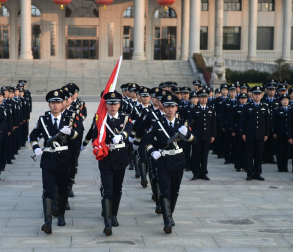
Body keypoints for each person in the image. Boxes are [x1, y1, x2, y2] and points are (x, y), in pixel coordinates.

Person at [30, 89, 80, 234]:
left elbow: (78, 136)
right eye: (53, 102)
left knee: (63, 189)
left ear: (62, 103)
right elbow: (33, 136)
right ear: (49, 104)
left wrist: (72, 133)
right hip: (48, 159)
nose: (56, 105)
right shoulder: (43, 120)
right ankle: (47, 222)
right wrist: (35, 148)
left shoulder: (69, 118)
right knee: (48, 190)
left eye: (58, 102)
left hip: (64, 159)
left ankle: (61, 214)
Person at [144, 93, 196, 234]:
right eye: (167, 107)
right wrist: (152, 151)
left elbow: (193, 141)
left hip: (178, 161)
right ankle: (167, 220)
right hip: (162, 161)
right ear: (163, 108)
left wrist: (187, 134)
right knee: (165, 190)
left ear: (177, 108)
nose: (170, 109)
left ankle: (170, 215)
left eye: (172, 106)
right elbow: (146, 140)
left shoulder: (182, 124)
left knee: (174, 190)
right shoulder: (157, 123)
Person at [92, 91, 132, 236]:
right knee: (107, 189)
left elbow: (129, 130)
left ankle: (113, 213)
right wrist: (96, 146)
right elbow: (94, 135)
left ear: (120, 104)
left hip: (120, 157)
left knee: (117, 188)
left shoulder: (125, 118)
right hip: (105, 157)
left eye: (115, 103)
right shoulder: (99, 118)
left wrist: (122, 135)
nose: (113, 106)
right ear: (105, 104)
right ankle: (108, 221)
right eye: (109, 103)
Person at [240, 86, 270, 181]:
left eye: (258, 94)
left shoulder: (265, 107)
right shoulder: (247, 106)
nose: (257, 96)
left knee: (258, 155)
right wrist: (243, 133)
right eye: (255, 94)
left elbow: (267, 122)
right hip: (249, 134)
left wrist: (266, 134)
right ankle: (249, 173)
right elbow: (243, 121)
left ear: (261, 95)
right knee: (249, 155)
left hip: (260, 134)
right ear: (252, 95)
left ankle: (257, 173)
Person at [189, 88, 216, 180]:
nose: (204, 99)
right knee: (196, 155)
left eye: (205, 97)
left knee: (205, 155)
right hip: (197, 136)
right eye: (202, 97)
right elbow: (190, 124)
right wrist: (192, 135)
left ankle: (204, 172)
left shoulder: (211, 109)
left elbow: (213, 124)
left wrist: (213, 135)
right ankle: (196, 173)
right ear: (198, 98)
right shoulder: (194, 109)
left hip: (207, 136)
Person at [230, 93, 248, 172]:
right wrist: (233, 130)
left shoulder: (248, 107)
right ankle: (238, 165)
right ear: (239, 99)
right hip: (237, 131)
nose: (243, 100)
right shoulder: (235, 108)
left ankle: (245, 165)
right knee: (237, 149)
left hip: (247, 132)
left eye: (244, 98)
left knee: (246, 150)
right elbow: (232, 120)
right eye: (241, 98)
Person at [272, 94, 291, 173]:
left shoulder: (291, 110)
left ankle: (285, 167)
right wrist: (274, 132)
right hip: (279, 133)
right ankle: (280, 167)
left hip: (288, 133)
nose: (285, 101)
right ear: (280, 101)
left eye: (286, 100)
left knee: (286, 151)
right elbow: (274, 122)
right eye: (283, 100)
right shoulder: (277, 110)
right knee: (280, 151)